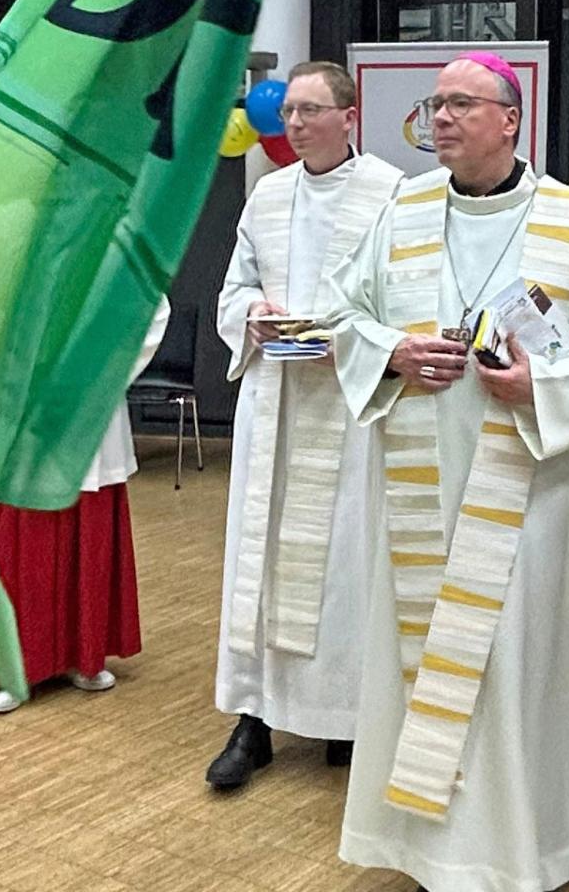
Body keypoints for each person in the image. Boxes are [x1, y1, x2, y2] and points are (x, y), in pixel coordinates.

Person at [321, 52, 569, 892]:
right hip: (423, 473)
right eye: (434, 104)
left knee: (516, 656)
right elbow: (341, 310)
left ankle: (525, 840)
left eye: (460, 104)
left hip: (532, 484)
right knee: (424, 648)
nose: (439, 118)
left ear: (510, 120)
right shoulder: (401, 210)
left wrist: (540, 384)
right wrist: (392, 350)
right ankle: (431, 845)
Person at [208, 62, 402, 789]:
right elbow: (237, 285)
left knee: (342, 567)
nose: (294, 124)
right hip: (277, 400)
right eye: (288, 111)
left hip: (347, 404)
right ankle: (253, 719)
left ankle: (343, 721)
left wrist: (350, 336)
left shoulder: (391, 195)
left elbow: (405, 294)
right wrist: (255, 314)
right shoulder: (267, 195)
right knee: (258, 556)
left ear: (349, 116)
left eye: (311, 111)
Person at [0, 297, 171, 713]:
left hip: (92, 403)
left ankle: (85, 654)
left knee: (91, 533)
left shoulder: (119, 236)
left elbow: (151, 304)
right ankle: (13, 667)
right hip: (27, 402)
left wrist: (100, 371)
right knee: (22, 541)